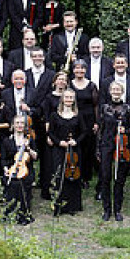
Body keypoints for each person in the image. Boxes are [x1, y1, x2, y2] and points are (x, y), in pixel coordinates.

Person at [98, 80, 130, 220]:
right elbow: (100, 129)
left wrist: (125, 129)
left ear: (122, 92)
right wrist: (98, 149)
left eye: (118, 90)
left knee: (119, 179)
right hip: (107, 145)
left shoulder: (128, 109)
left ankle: (117, 209)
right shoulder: (104, 108)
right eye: (113, 90)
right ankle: (106, 209)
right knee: (106, 178)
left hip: (121, 146)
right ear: (110, 91)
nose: (115, 92)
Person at [46, 88, 85, 216]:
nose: (68, 100)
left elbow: (84, 132)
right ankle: (58, 206)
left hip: (74, 150)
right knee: (59, 176)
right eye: (66, 97)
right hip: (59, 149)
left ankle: (72, 206)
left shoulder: (78, 115)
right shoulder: (54, 115)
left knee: (73, 176)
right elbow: (51, 132)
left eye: (71, 98)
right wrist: (59, 142)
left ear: (74, 100)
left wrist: (76, 141)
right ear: (62, 99)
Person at [0, 114, 36, 224]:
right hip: (12, 169)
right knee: (12, 184)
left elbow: (35, 157)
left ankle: (23, 213)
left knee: (24, 183)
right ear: (13, 125)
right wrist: (5, 169)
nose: (20, 125)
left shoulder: (29, 139)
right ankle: (10, 213)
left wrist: (28, 148)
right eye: (17, 123)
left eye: (22, 123)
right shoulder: (7, 140)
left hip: (26, 170)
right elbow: (3, 159)